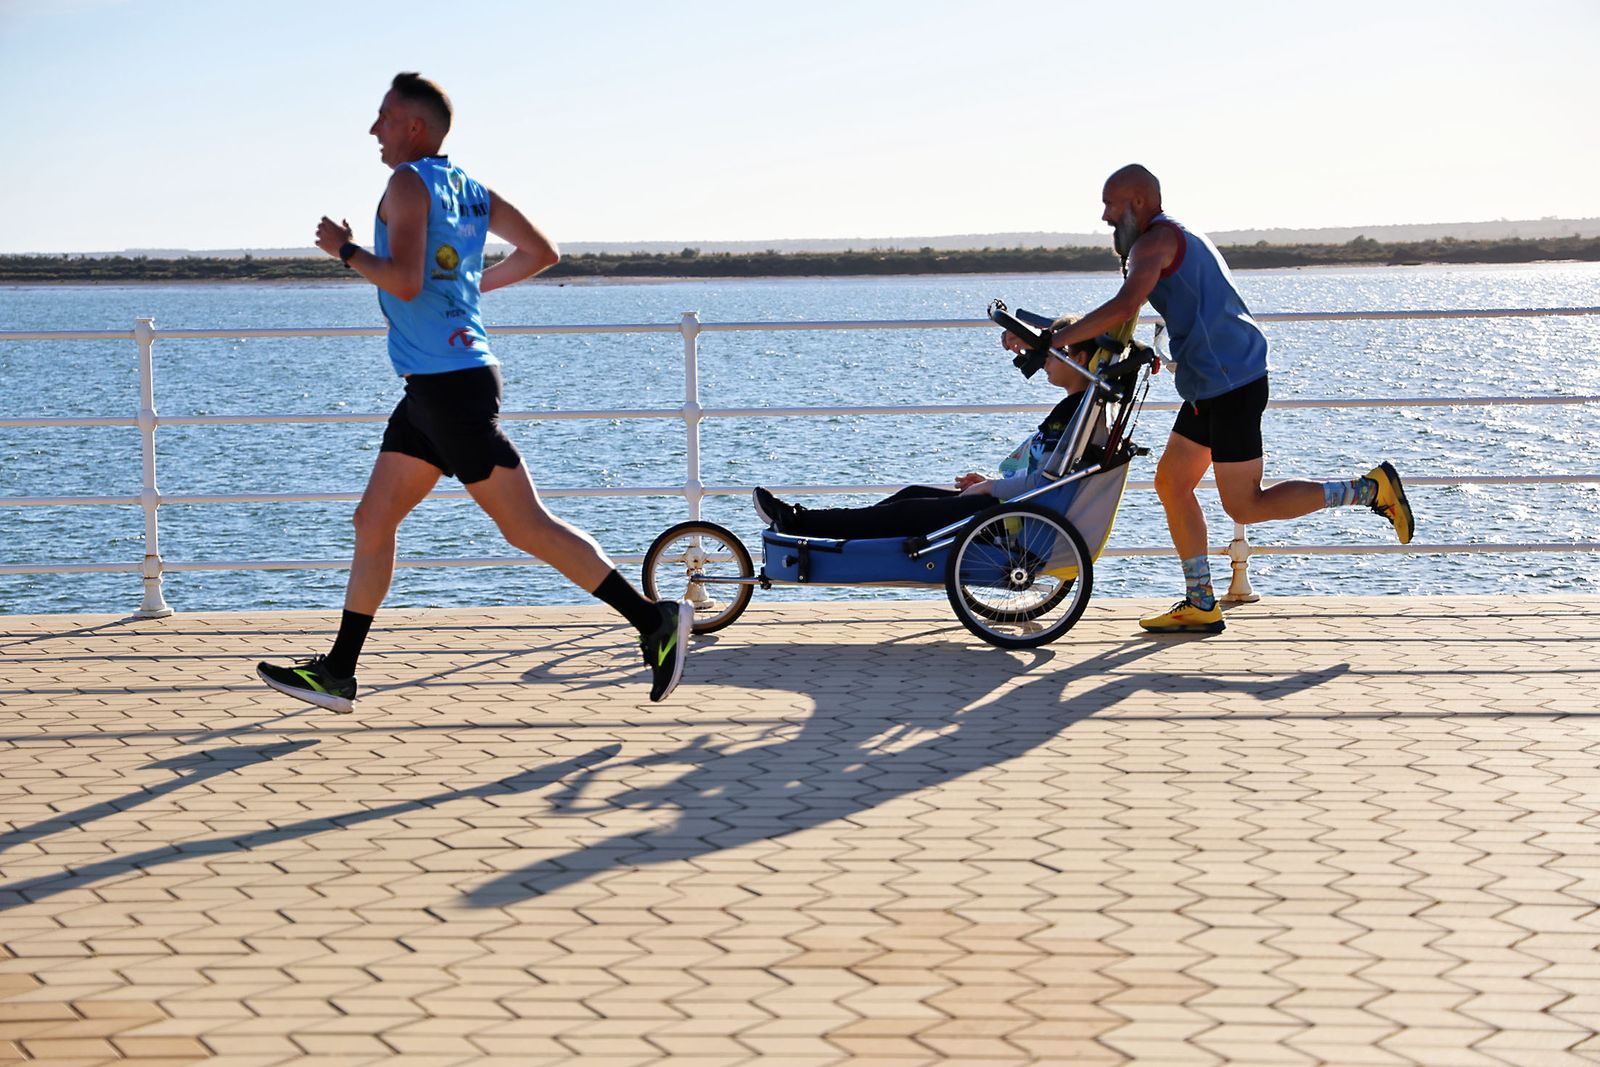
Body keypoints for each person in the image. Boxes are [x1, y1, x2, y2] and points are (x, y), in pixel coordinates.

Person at [257, 73, 690, 712]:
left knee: (527, 527)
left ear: (414, 127)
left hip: (449, 389)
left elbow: (404, 281)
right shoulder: (469, 189)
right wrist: (467, 293)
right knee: (372, 520)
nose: (373, 130)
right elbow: (541, 251)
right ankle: (340, 672)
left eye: (383, 117)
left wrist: (344, 248)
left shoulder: (407, 183)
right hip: (435, 385)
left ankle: (653, 621)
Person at [1005, 164, 1414, 634]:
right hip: (1207, 384)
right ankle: (1200, 601)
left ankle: (1369, 490)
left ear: (1137, 202)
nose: (1104, 217)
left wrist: (1053, 343)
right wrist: (1050, 337)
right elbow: (1126, 316)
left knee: (1245, 506)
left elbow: (1123, 305)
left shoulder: (1153, 243)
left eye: (1110, 205)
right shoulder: (1164, 237)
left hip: (1230, 383)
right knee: (1172, 483)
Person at [755, 324, 1100, 539]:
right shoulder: (1076, 409)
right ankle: (818, 527)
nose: (1046, 362)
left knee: (901, 515)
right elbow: (1046, 475)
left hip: (1015, 520)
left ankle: (800, 522)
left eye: (1056, 353)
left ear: (1080, 359)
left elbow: (1045, 484)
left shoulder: (1071, 413)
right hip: (1014, 508)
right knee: (910, 495)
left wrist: (991, 486)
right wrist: (987, 484)